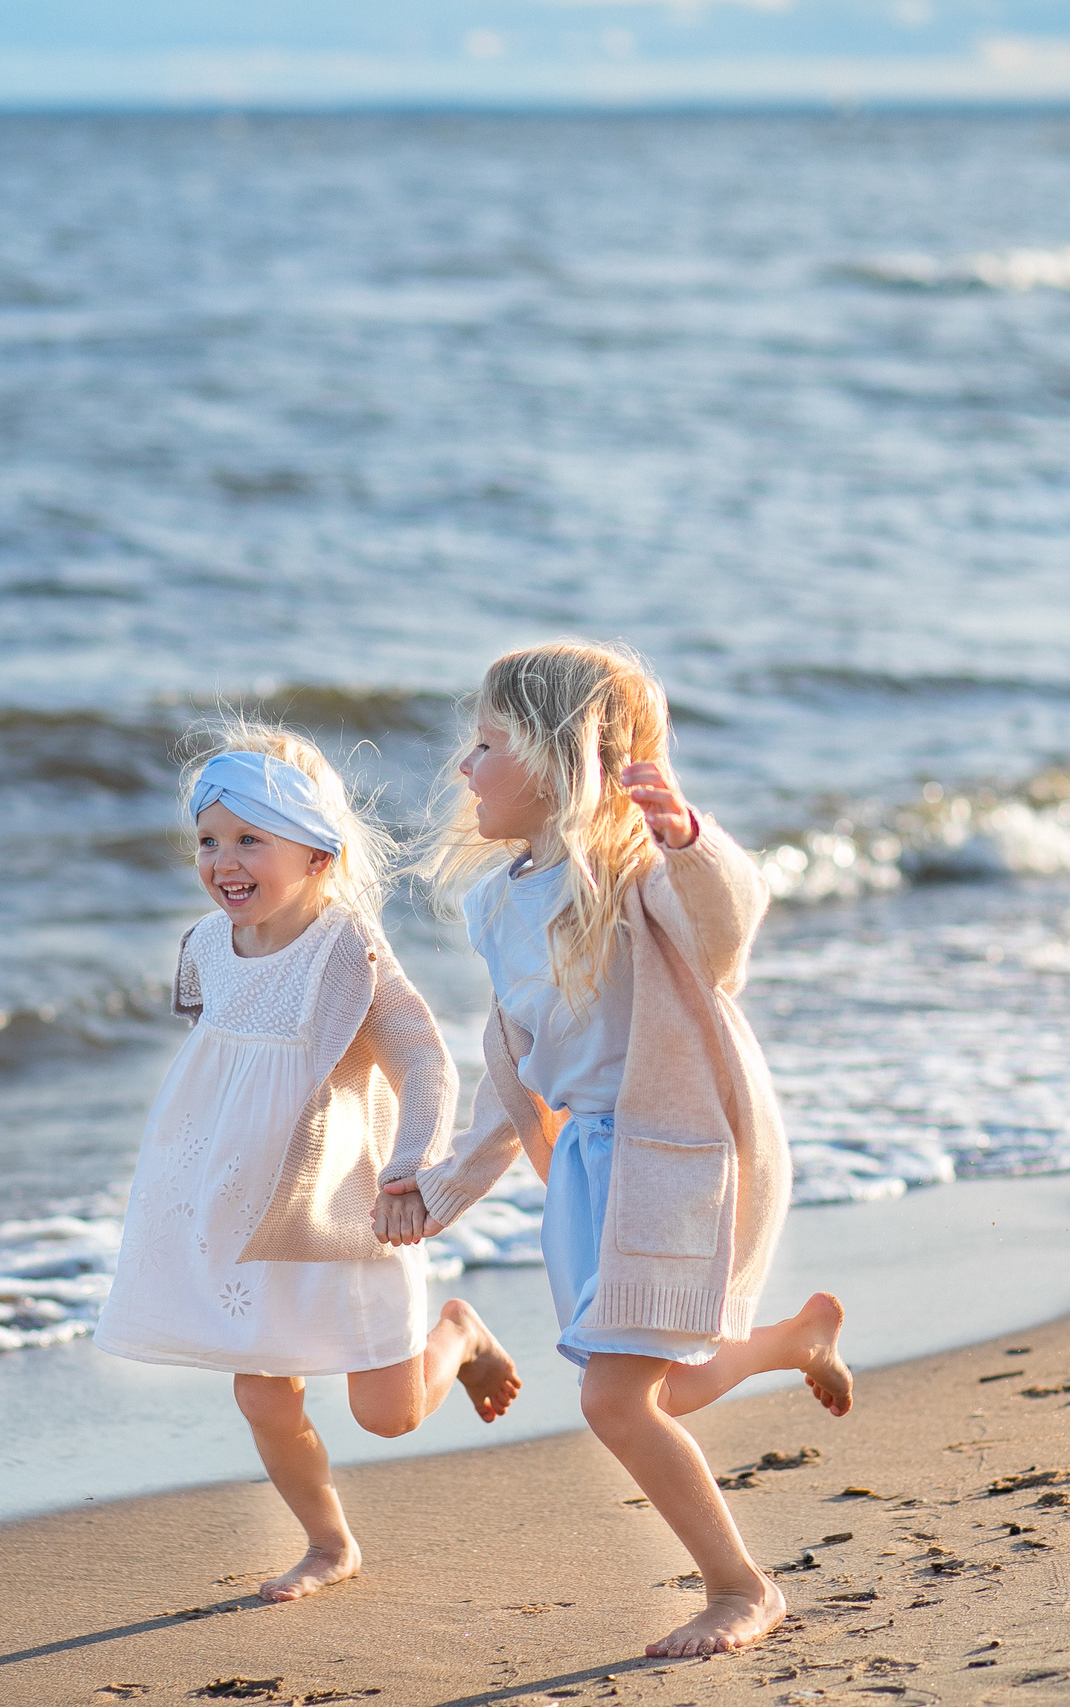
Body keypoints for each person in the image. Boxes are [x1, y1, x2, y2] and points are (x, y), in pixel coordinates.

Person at [376, 641, 853, 1657]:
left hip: (678, 1150)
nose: (464, 766)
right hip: (590, 1166)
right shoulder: (494, 903)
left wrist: (687, 838)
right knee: (661, 1385)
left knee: (614, 1398)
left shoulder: (636, 879)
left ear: (556, 759)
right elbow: (521, 1068)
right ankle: (786, 1341)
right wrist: (446, 1184)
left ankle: (739, 1588)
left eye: (489, 742)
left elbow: (724, 942)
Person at [94, 721, 522, 1604]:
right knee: (263, 1393)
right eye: (208, 840)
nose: (224, 860)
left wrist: (413, 1163)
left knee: (389, 1413)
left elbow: (424, 1059)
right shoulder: (209, 946)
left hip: (340, 1209)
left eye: (251, 837)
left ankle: (460, 1334)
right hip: (242, 1210)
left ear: (318, 852)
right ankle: (329, 1542)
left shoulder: (343, 948)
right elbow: (228, 1067)